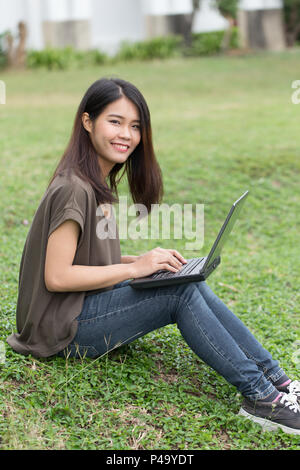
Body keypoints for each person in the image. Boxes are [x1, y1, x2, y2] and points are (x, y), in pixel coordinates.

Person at [7, 77, 300, 435]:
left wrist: (138, 261)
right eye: (115, 122)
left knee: (185, 281)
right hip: (61, 329)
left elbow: (92, 259)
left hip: (82, 308)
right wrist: (136, 268)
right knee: (179, 294)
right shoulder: (73, 188)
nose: (126, 135)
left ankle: (281, 383)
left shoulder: (97, 183)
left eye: (135, 126)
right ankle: (261, 399)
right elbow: (58, 276)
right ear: (87, 122)